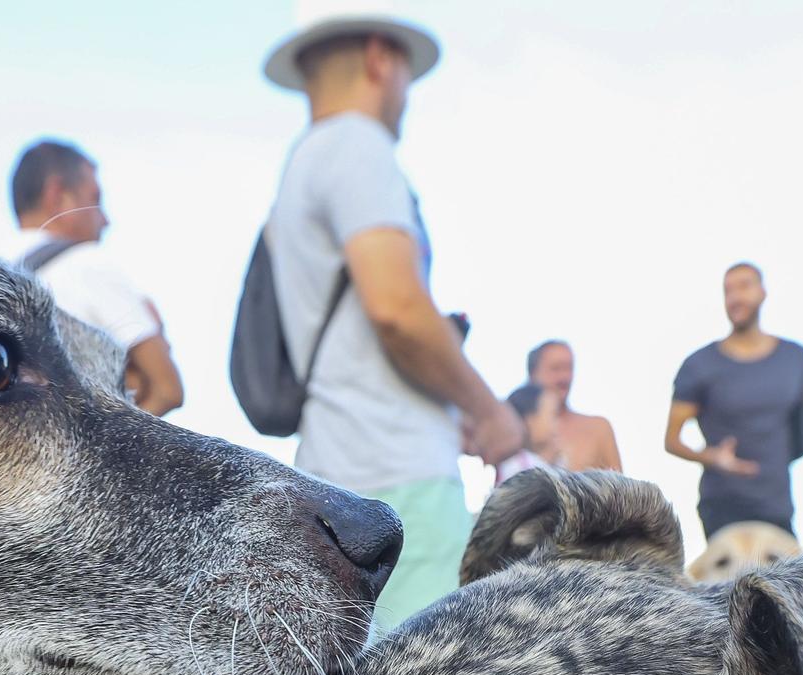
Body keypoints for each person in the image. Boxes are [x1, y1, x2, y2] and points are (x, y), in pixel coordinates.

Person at [260, 12, 525, 632]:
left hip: (339, 468)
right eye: (407, 71)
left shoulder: (302, 165)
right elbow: (399, 312)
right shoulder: (357, 146)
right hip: (400, 482)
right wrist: (490, 414)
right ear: (381, 58)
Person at [5, 138, 195, 675]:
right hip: (102, 509)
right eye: (96, 190)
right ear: (61, 189)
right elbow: (167, 386)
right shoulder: (91, 269)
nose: (106, 212)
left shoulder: (3, 280)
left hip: (22, 509)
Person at [665, 262, 803, 538]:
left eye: (743, 287)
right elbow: (671, 441)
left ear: (762, 292)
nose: (735, 298)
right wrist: (712, 457)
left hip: (777, 505)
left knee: (787, 579)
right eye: (728, 291)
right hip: (722, 508)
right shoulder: (699, 365)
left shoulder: (795, 358)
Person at [501, 340, 621, 478]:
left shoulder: (598, 428)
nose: (564, 377)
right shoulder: (512, 430)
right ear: (532, 374)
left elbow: (623, 492)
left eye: (569, 368)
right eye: (556, 368)